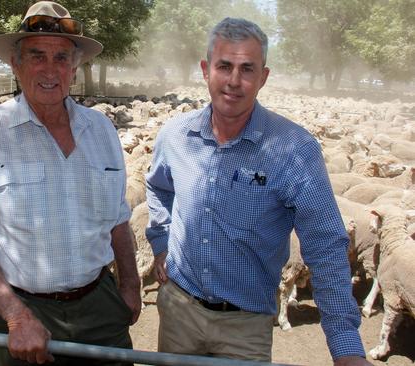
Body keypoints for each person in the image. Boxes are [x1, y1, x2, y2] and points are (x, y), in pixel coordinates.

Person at [145, 17, 372, 366]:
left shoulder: (294, 150)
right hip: (178, 311)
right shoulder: (175, 136)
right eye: (224, 66)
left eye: (247, 69)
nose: (234, 81)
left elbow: (326, 244)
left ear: (263, 77)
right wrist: (162, 242)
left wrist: (346, 347)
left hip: (246, 325)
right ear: (206, 70)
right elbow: (158, 187)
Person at [0, 2, 141, 365]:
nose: (50, 70)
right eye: (37, 56)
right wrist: (16, 316)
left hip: (100, 303)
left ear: (75, 67)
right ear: (15, 64)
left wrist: (129, 287)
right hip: (23, 311)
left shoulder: (101, 131)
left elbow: (118, 219)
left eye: (62, 58)